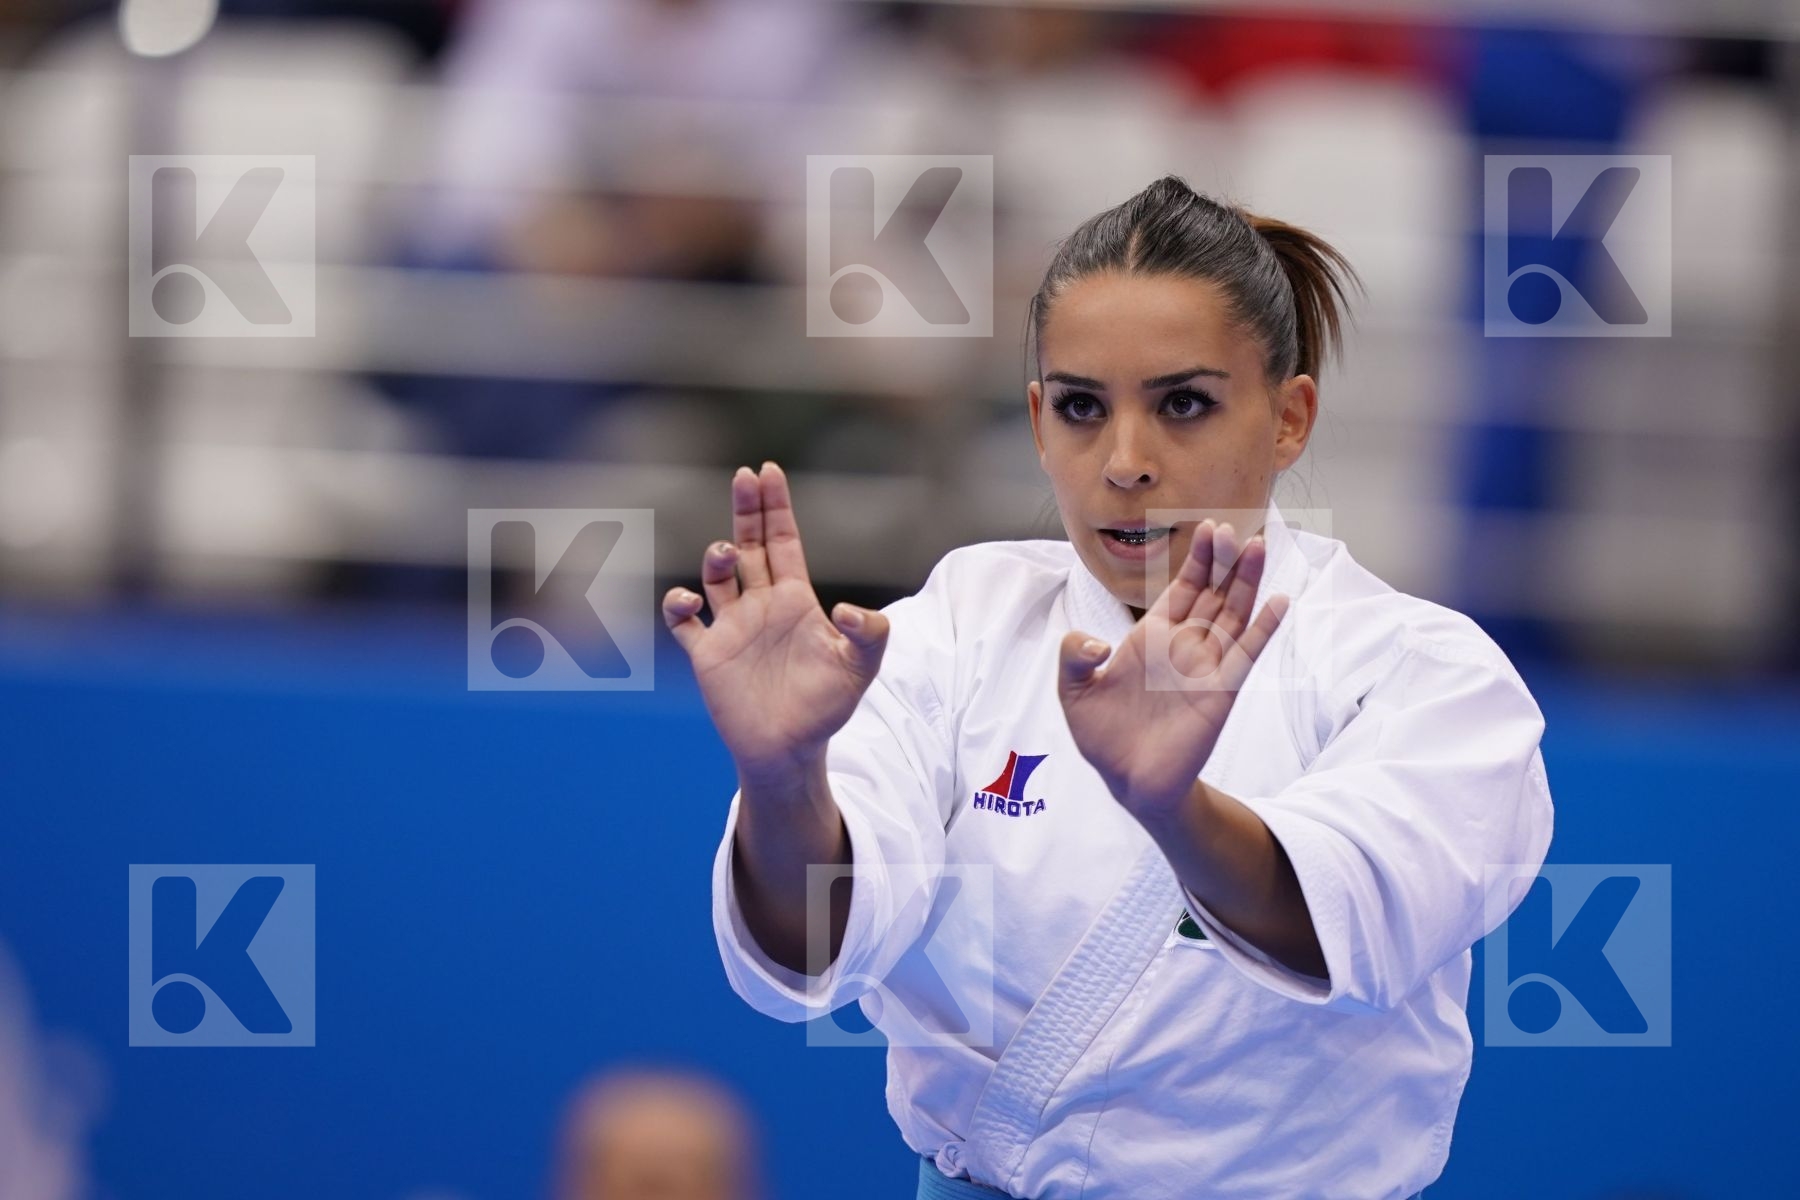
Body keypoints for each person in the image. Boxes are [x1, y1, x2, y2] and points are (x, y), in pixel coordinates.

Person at [664, 176, 1554, 1200]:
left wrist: (1175, 809)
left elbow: (1362, 924)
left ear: (1289, 417)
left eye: (1184, 404)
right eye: (1082, 408)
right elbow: (813, 955)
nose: (1126, 463)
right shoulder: (958, 625)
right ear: (1038, 423)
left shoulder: (1424, 674)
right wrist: (783, 776)